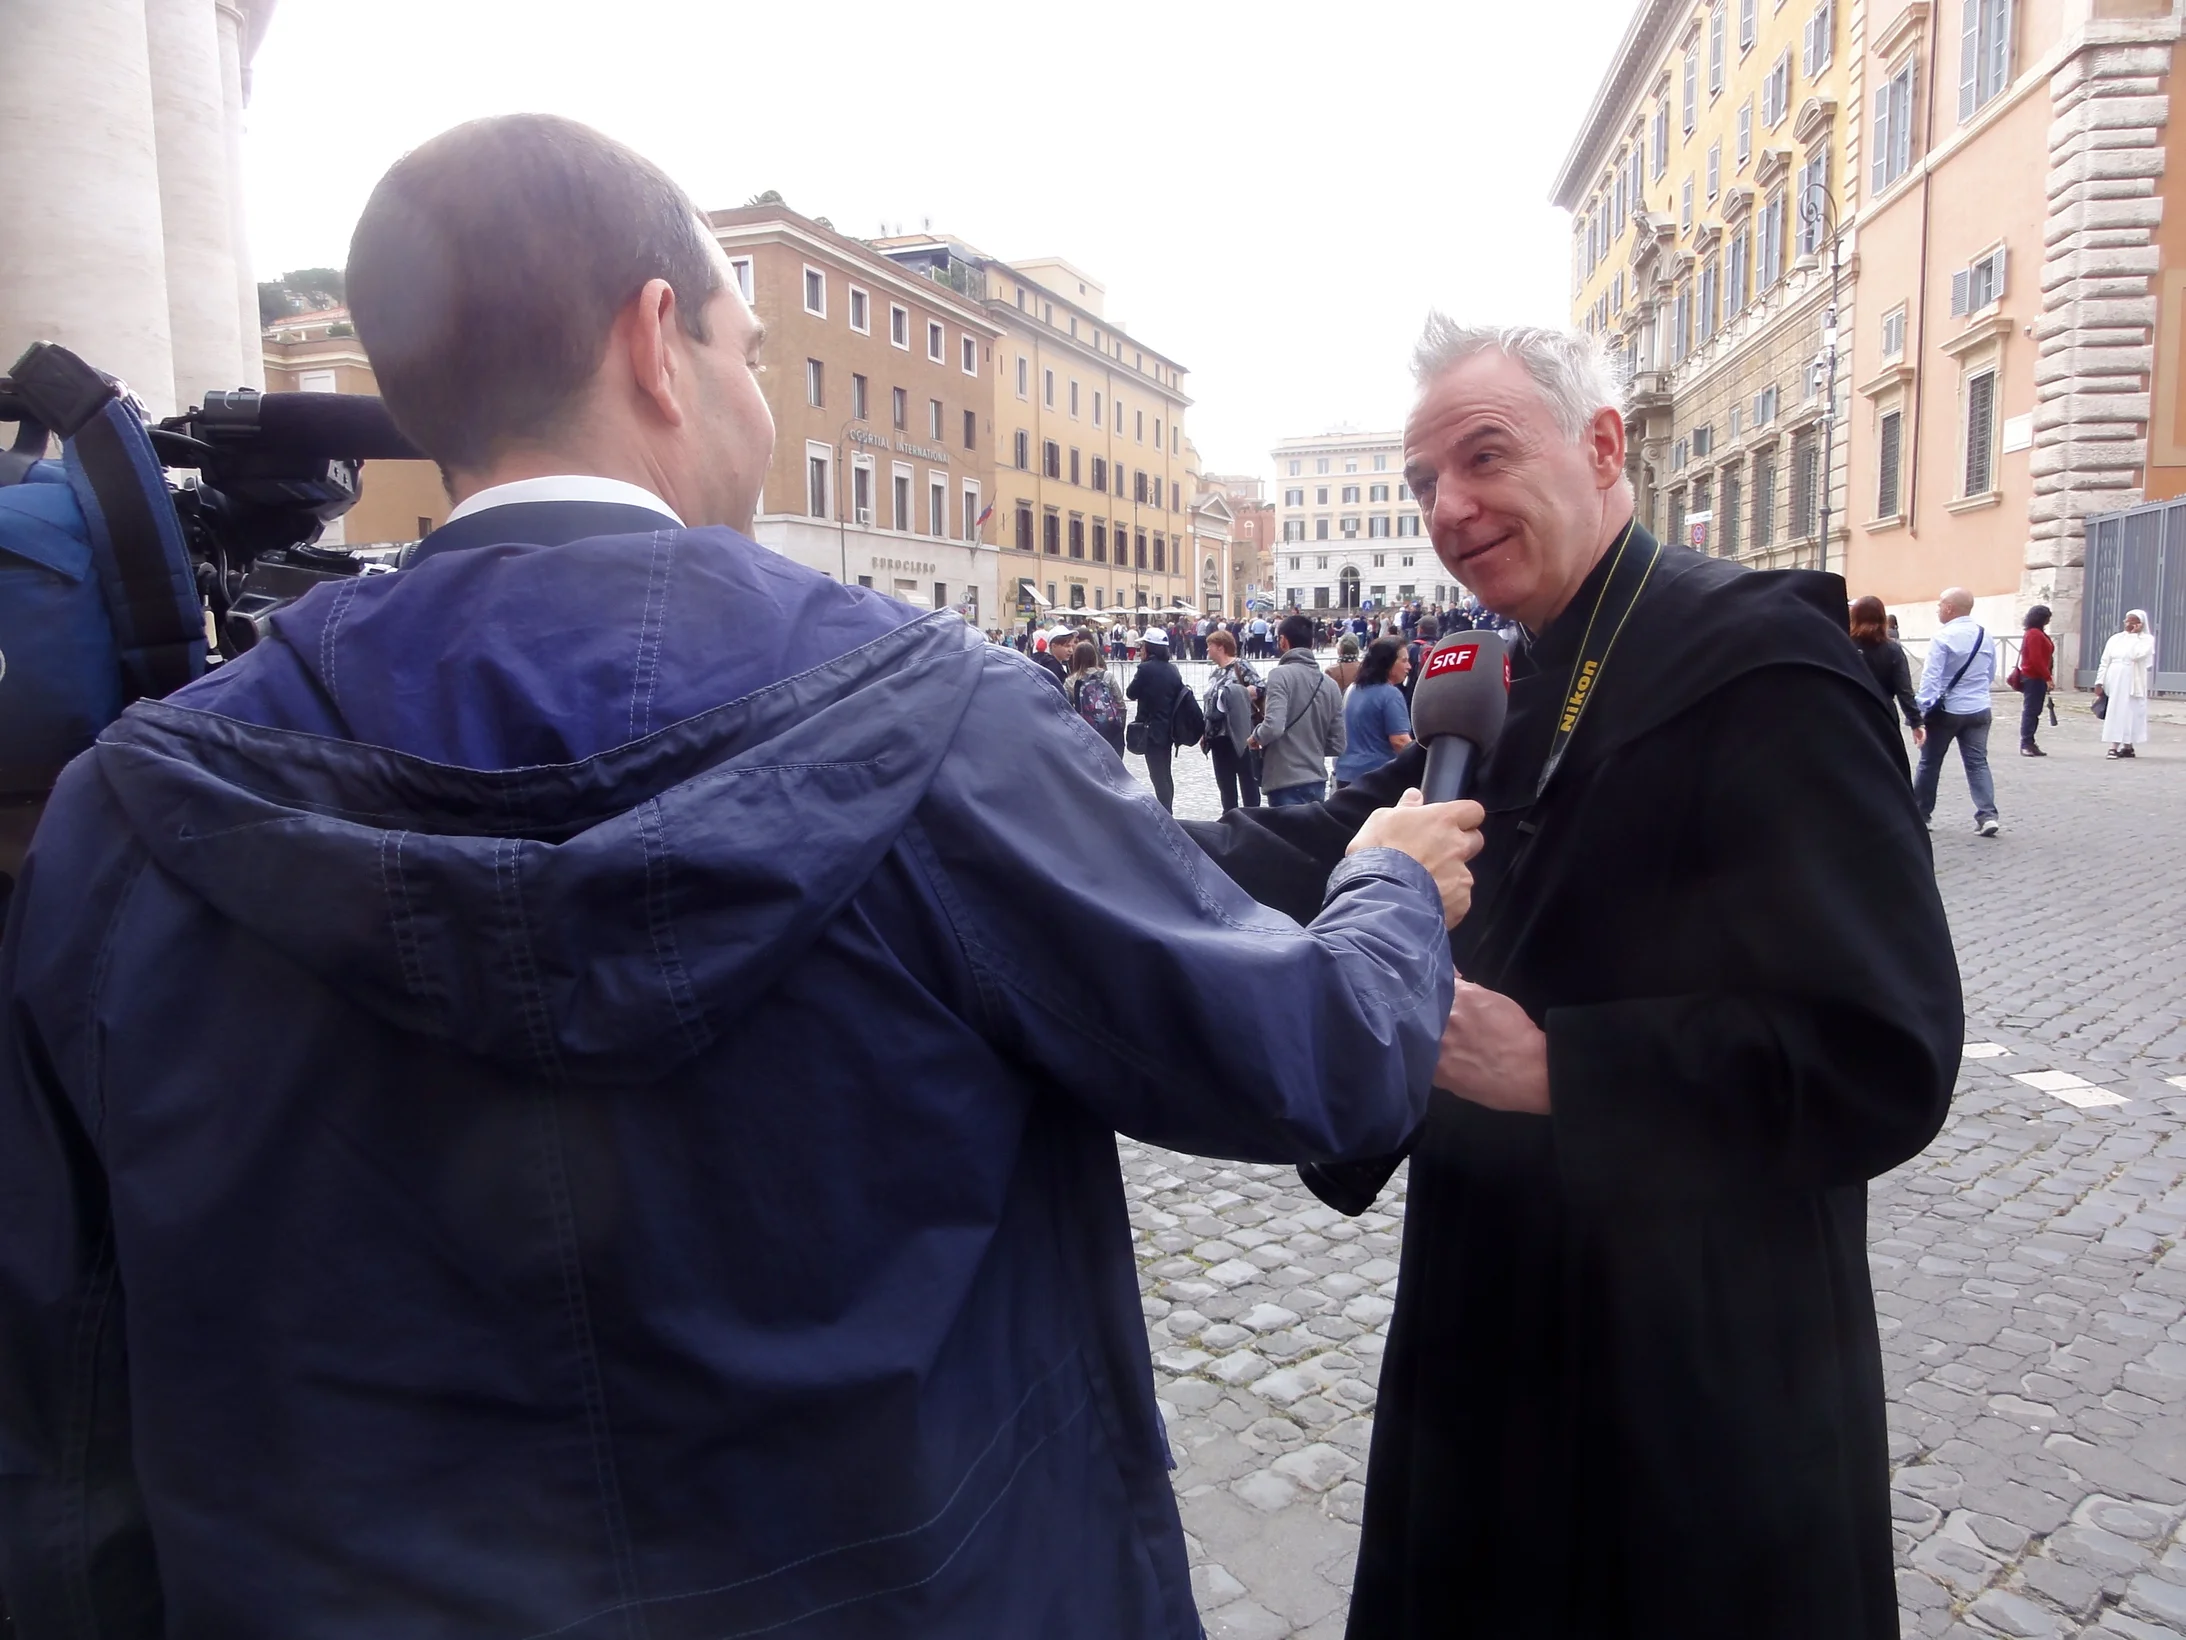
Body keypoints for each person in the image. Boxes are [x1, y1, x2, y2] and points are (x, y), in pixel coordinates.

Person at [0, 116, 1494, 1640]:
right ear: (658, 343)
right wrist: (1381, 884)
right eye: (751, 349)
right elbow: (1304, 1061)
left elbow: (56, 1401)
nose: (757, 399)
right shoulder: (941, 714)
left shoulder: (124, 811)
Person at [1180, 321, 1958, 1640]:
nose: (1449, 507)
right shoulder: (1498, 678)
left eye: (1484, 456)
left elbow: (1883, 1056)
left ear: (1603, 445)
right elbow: (1313, 838)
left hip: (1696, 1367)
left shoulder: (1764, 670)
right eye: (1424, 481)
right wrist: (1048, 837)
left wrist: (1560, 1070)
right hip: (1489, 1320)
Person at [1914, 586, 2001, 835]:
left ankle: (1921, 815)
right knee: (1977, 763)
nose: (1938, 609)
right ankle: (1987, 815)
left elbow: (1931, 679)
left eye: (1940, 604)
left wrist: (1921, 710)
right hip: (1979, 707)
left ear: (1950, 608)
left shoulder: (1943, 637)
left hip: (1947, 710)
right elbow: (1990, 672)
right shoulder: (1985, 635)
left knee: (1930, 762)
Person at [1251, 613, 1346, 807]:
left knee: (1284, 837)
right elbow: (1338, 744)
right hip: (1316, 778)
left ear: (1283, 641)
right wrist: (1311, 747)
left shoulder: (1279, 675)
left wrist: (1256, 737)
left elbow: (1273, 726)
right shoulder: (1329, 684)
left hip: (1284, 778)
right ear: (1311, 643)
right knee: (1310, 837)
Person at [1848, 593, 1923, 776]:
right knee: (1887, 767)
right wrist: (1916, 722)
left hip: (1849, 711)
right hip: (1883, 712)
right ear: (1883, 618)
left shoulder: (1844, 644)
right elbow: (1904, 690)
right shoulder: (1893, 650)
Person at [1333, 637, 1414, 789]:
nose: (1409, 666)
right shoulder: (1390, 694)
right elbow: (1400, 741)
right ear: (1387, 663)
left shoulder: (1352, 689)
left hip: (1346, 774)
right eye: (1403, 661)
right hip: (1376, 778)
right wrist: (1422, 762)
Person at [1125, 626, 1185, 813]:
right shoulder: (1173, 670)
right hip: (1168, 729)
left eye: (1143, 646)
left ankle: (1166, 813)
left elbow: (1131, 692)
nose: (1141, 650)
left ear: (1150, 648)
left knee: (1158, 775)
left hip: (1150, 730)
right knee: (1165, 773)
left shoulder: (1145, 669)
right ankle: (1168, 809)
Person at [1202, 629, 1260, 811]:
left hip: (1238, 734)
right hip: (1217, 737)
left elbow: (1260, 687)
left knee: (1247, 781)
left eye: (1209, 646)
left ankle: (1253, 820)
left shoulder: (1240, 666)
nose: (1207, 650)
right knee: (1225, 786)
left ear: (1220, 647)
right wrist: (1205, 732)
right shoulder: (1214, 674)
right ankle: (1231, 823)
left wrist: (1235, 694)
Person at [2096, 607, 2156, 758]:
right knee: (2117, 710)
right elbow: (2105, 661)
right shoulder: (2115, 639)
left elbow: (2136, 655)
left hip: (2133, 679)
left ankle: (2127, 745)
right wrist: (2099, 681)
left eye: (2132, 621)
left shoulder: (2146, 640)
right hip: (2115, 677)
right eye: (2126, 620)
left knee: (2131, 711)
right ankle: (2115, 744)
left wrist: (2135, 636)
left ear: (2140, 624)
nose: (2128, 624)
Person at [1067, 638, 1126, 755]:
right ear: (1095, 656)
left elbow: (1067, 709)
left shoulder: (1070, 681)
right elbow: (1120, 704)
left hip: (1086, 732)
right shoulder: (1107, 676)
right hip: (1110, 730)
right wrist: (1119, 726)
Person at [2014, 603, 2056, 756]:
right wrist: (2048, 677)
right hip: (2033, 676)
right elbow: (2036, 659)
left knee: (2034, 710)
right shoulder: (2034, 634)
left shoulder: (2037, 633)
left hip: (2037, 676)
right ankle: (2026, 743)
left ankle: (2030, 742)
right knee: (2031, 711)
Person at [1028, 627, 1069, 695]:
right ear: (1053, 646)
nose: (1071, 650)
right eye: (1066, 646)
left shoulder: (1052, 663)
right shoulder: (1053, 666)